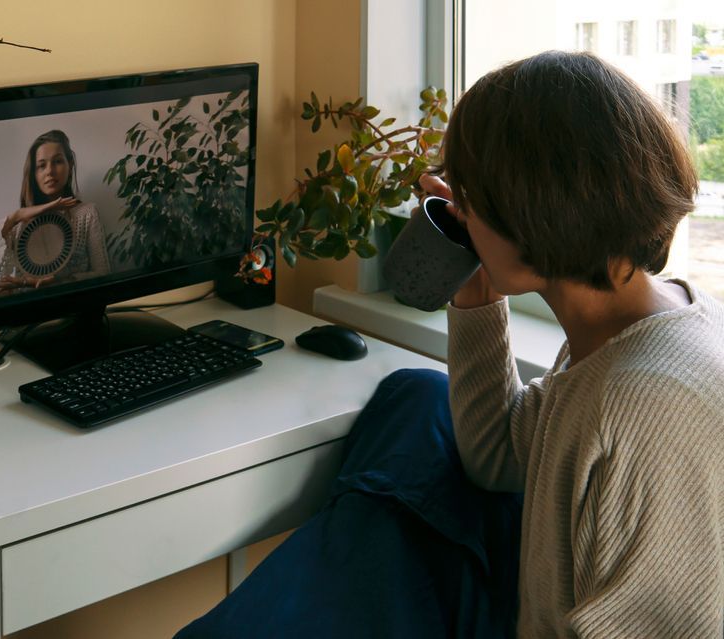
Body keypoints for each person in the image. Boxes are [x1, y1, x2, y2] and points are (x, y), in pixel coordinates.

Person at [177, 51, 723, 638]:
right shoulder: (633, 325)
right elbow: (496, 459)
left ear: (532, 210)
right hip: (524, 599)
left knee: (377, 520)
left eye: (470, 192)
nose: (457, 206)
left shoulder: (644, 409)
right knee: (414, 399)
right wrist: (477, 285)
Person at [0, 129, 111, 306]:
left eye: (58, 162)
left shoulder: (87, 214)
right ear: (33, 173)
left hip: (73, 311)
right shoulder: (16, 227)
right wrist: (15, 217)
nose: (50, 171)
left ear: (70, 165)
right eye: (41, 165)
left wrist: (58, 282)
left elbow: (103, 273)